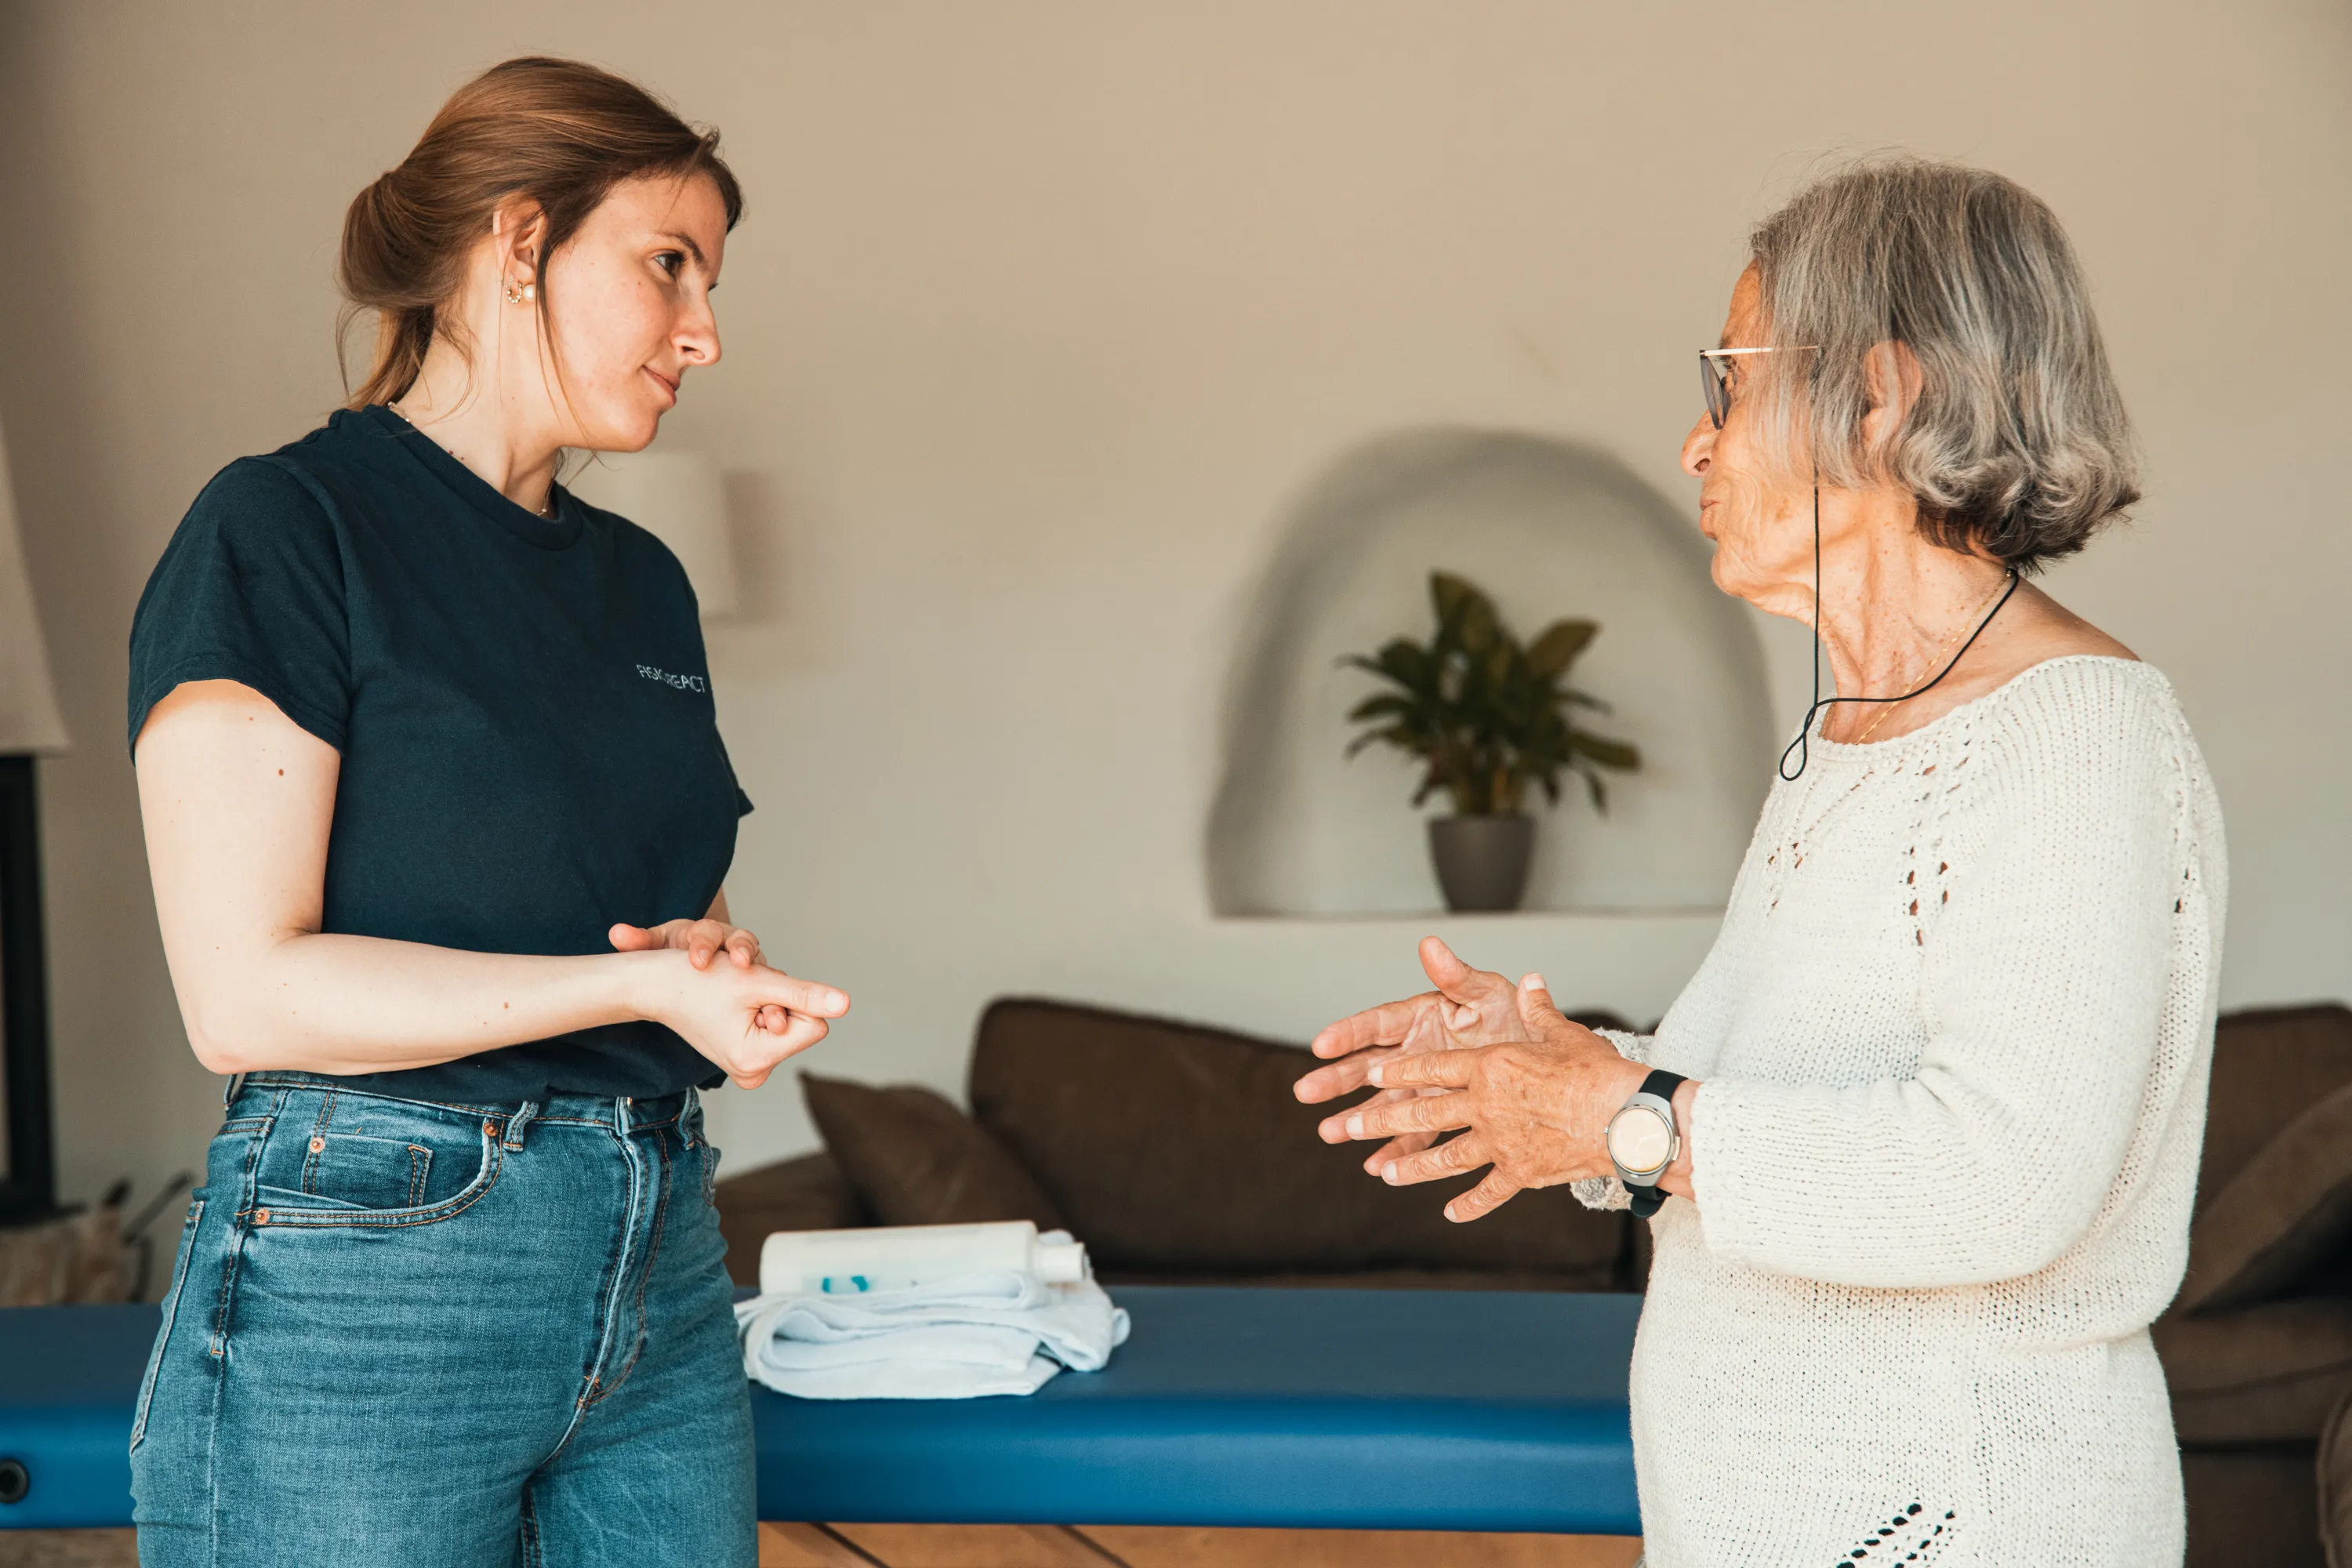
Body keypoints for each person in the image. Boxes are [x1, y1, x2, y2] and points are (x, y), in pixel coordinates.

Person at [1298, 157, 2226, 1566]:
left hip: (1972, 1520)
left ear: (1881, 396)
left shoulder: (2077, 735)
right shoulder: (1850, 733)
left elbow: (2003, 1181)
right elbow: (1777, 1104)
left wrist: (1621, 1117)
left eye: (1728, 382)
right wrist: (1563, 1067)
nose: (1696, 440)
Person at [125, 57, 846, 1567]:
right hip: (378, 1264)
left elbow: (631, 906)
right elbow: (240, 993)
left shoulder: (642, 579)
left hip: (659, 1250)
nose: (705, 335)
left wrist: (698, 965)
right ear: (519, 241)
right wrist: (634, 982)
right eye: (669, 267)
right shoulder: (284, 527)